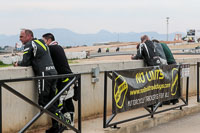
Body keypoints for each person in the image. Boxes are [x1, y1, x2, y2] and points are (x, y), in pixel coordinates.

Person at [14, 29, 67, 132]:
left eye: (21, 36)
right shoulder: (41, 42)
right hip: (53, 73)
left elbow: (25, 62)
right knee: (52, 102)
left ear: (29, 36)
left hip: (44, 74)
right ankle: (56, 127)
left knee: (43, 102)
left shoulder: (29, 45)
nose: (20, 39)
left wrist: (17, 64)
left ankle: (62, 118)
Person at [42, 33, 75, 132]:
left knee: (58, 102)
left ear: (48, 40)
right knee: (67, 100)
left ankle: (61, 125)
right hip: (69, 78)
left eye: (43, 41)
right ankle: (70, 123)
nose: (43, 44)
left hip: (63, 80)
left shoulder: (50, 49)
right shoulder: (59, 47)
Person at [152, 39, 178, 105]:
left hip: (169, 64)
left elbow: (161, 57)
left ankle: (167, 100)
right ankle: (175, 99)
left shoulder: (158, 46)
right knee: (173, 82)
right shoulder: (164, 44)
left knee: (167, 83)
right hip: (174, 63)